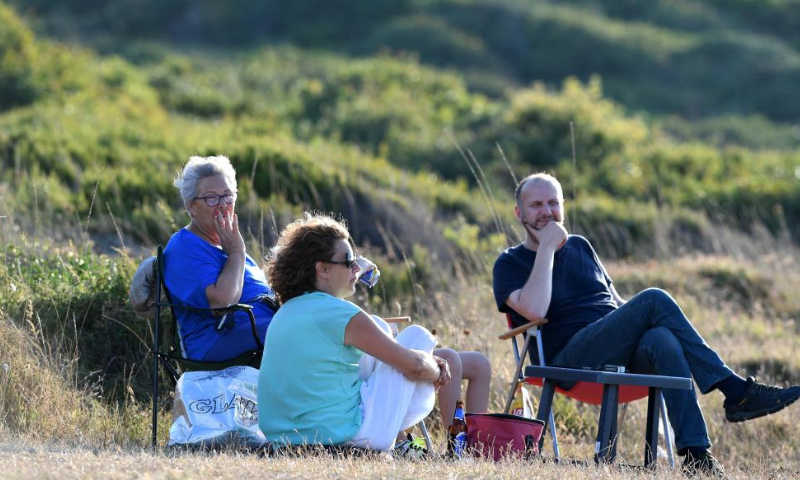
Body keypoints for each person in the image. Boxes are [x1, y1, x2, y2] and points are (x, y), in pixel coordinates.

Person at [492, 173, 800, 476]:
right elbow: (533, 310)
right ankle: (735, 390)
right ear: (519, 213)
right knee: (653, 298)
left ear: (563, 206)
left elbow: (616, 303)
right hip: (567, 360)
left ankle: (696, 455)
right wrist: (546, 247)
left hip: (615, 349)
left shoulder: (581, 246)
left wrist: (636, 322)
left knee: (661, 338)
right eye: (536, 205)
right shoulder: (509, 262)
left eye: (553, 203)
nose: (547, 212)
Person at [257, 213, 450, 451]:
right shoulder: (340, 314)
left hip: (284, 437)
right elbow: (415, 367)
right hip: (346, 435)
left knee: (378, 326)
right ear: (323, 270)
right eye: (349, 260)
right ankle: (401, 442)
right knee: (417, 337)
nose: (356, 267)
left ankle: (401, 442)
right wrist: (436, 371)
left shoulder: (285, 313)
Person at [164, 155, 275, 362]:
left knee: (323, 323)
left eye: (227, 195)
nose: (223, 205)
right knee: (299, 334)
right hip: (218, 340)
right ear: (191, 207)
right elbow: (223, 302)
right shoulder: (185, 246)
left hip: (258, 330)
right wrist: (236, 253)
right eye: (211, 198)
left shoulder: (226, 243)